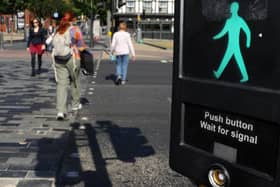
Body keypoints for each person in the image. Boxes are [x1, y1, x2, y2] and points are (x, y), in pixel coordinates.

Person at [52, 11, 86, 120]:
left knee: (61, 84)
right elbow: (81, 47)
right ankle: (75, 105)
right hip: (73, 58)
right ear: (73, 19)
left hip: (58, 59)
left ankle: (60, 111)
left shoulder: (58, 29)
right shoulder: (75, 30)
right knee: (75, 80)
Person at [213, 2, 251, 83]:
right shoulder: (229, 21)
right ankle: (218, 73)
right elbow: (223, 32)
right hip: (230, 45)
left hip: (235, 46)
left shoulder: (240, 20)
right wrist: (216, 37)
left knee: (237, 60)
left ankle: (245, 76)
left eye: (231, 7)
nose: (230, 8)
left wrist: (248, 43)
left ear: (234, 9)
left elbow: (248, 31)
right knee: (227, 59)